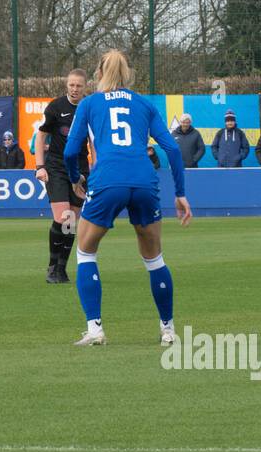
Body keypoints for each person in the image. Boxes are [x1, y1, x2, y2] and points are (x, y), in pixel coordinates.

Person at [63, 49, 189, 348]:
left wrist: (73, 177)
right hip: (144, 181)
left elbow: (70, 151)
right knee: (154, 258)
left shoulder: (90, 103)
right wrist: (181, 193)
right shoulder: (144, 104)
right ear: (128, 73)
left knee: (85, 251)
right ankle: (168, 330)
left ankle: (95, 329)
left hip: (107, 179)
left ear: (97, 74)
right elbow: (172, 150)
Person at [35, 69, 90, 285]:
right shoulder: (56, 107)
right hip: (56, 166)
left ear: (85, 87)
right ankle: (52, 266)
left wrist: (94, 169)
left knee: (72, 223)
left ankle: (62, 268)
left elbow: (93, 142)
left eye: (79, 86)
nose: (75, 89)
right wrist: (39, 166)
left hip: (80, 168)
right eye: (71, 85)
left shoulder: (90, 107)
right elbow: (41, 136)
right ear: (66, 85)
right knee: (63, 218)